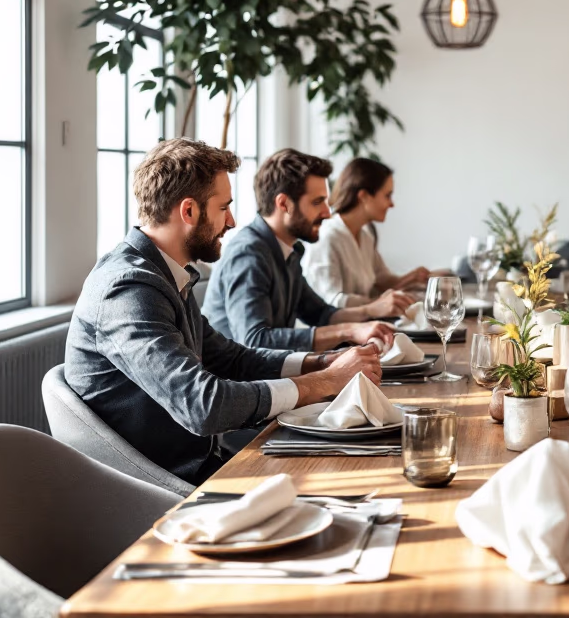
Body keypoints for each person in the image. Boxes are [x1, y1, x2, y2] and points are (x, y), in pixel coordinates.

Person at [66, 138, 384, 486]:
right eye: (224, 207)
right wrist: (325, 382)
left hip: (199, 464)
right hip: (162, 486)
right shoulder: (128, 289)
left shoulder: (165, 273)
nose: (232, 221)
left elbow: (231, 358)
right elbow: (204, 406)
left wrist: (320, 363)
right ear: (188, 211)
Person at [204, 149, 411, 353]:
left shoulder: (288, 250)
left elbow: (321, 314)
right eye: (317, 202)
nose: (327, 213)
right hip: (238, 383)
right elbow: (254, 340)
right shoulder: (249, 254)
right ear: (284, 203)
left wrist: (370, 312)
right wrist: (348, 331)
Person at [302, 157, 433, 308]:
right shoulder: (327, 237)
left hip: (366, 326)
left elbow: (381, 280)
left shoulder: (365, 235)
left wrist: (413, 277)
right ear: (363, 196)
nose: (392, 204)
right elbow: (330, 301)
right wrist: (376, 305)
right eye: (387, 195)